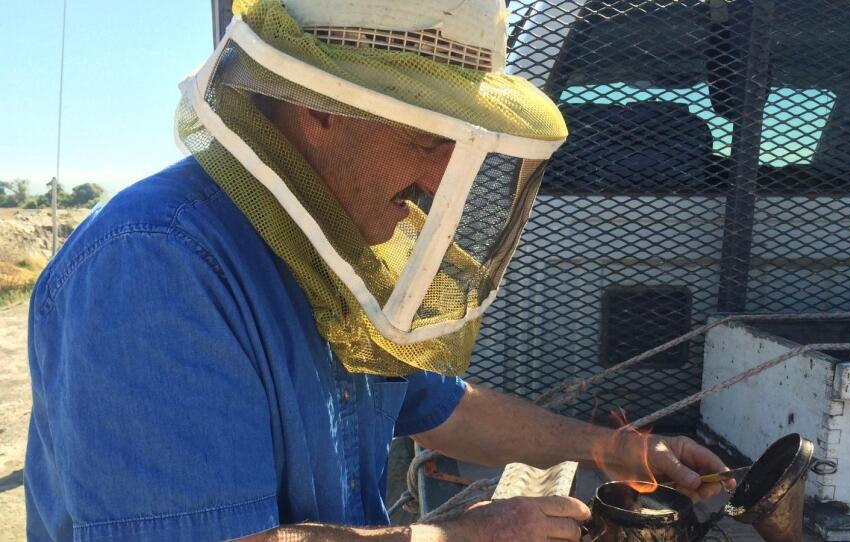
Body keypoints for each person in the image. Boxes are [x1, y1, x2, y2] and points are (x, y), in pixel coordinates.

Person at [25, 1, 734, 540]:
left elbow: (440, 406)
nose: (442, 178)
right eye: (428, 138)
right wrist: (456, 535)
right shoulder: (154, 269)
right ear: (319, 109)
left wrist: (618, 449)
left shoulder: (335, 249)